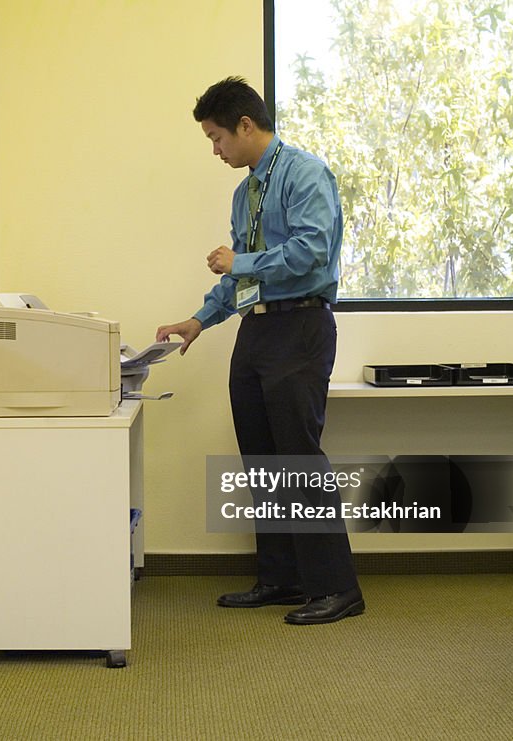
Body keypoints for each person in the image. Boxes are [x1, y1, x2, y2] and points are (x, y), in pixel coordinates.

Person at [155, 76, 364, 625]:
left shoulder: (304, 173)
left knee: (298, 459)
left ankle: (338, 588)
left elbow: (311, 251)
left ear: (246, 125)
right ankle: (282, 577)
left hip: (301, 328)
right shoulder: (244, 192)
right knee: (263, 463)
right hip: (258, 332)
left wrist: (239, 262)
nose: (215, 149)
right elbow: (243, 278)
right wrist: (199, 319)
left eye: (217, 137)